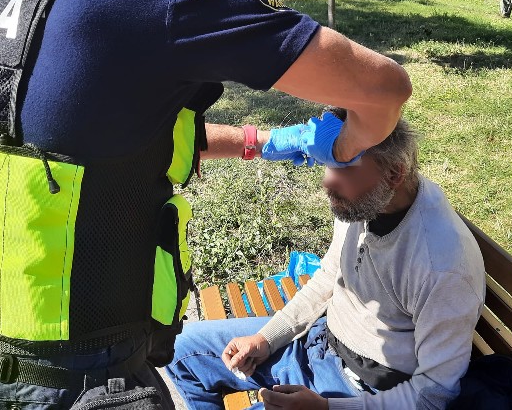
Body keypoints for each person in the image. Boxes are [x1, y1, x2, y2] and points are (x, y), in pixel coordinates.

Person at [0, 0, 412, 410]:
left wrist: (264, 141)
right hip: (67, 376)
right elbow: (384, 89)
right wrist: (346, 143)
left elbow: (81, 138)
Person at [166, 110, 486, 410]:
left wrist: (328, 407)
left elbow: (434, 393)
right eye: (329, 162)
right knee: (178, 350)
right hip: (317, 342)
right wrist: (267, 338)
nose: (327, 181)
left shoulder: (442, 266)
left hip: (360, 390)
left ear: (394, 175)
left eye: (344, 167)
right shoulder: (364, 202)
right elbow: (329, 276)